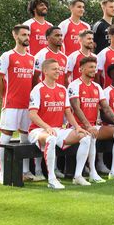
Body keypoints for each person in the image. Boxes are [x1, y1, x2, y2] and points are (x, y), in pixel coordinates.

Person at [28, 58, 92, 189]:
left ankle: (78, 176)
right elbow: (32, 115)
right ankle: (52, 179)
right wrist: (47, 127)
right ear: (45, 71)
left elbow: (68, 112)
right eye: (54, 69)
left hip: (58, 129)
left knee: (85, 137)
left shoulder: (62, 89)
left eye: (59, 69)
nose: (58, 71)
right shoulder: (38, 89)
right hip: (38, 131)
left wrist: (78, 127)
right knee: (51, 139)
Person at [68, 56, 114, 185]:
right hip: (77, 127)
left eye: (95, 67)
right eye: (90, 67)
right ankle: (92, 172)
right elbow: (76, 108)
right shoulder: (74, 85)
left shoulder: (97, 87)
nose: (93, 70)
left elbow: (106, 108)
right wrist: (88, 126)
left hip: (94, 126)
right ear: (81, 69)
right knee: (90, 136)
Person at [0, 24, 37, 183]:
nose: (27, 37)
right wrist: (5, 97)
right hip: (12, 104)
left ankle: (25, 171)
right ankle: (2, 172)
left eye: (28, 34)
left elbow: (33, 82)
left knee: (25, 138)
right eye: (23, 35)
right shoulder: (7, 56)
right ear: (15, 36)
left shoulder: (33, 59)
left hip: (27, 106)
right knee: (6, 137)